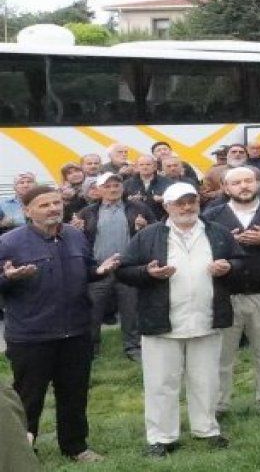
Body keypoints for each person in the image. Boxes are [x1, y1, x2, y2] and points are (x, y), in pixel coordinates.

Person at [115, 182, 244, 458]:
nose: (187, 207)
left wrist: (229, 267)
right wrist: (147, 273)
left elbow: (241, 262)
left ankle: (207, 429)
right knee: (161, 382)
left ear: (199, 202)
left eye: (191, 201)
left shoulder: (217, 233)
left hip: (206, 318)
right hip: (162, 321)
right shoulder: (149, 235)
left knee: (206, 380)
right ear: (166, 206)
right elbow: (124, 270)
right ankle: (161, 437)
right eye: (180, 203)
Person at [0, 184, 121, 463]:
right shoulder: (9, 243)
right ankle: (23, 452)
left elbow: (87, 269)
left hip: (76, 331)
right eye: (44, 205)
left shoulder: (75, 236)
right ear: (27, 211)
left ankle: (76, 447)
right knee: (29, 398)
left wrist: (98, 271)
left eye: (56, 203)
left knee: (74, 395)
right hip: (31, 336)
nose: (53, 208)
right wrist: (10, 278)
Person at [201, 166, 260, 415]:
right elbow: (199, 251)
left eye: (248, 181)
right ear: (226, 188)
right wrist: (224, 243)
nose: (244, 186)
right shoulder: (213, 215)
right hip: (225, 295)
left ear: (258, 183)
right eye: (237, 182)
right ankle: (218, 406)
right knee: (220, 356)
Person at [74, 171, 154, 360]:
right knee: (93, 310)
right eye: (107, 186)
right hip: (99, 269)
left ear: (122, 187)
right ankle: (91, 348)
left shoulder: (138, 207)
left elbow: (155, 229)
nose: (113, 189)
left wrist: (145, 227)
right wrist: (77, 230)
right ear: (99, 190)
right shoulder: (88, 211)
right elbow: (79, 240)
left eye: (116, 185)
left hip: (128, 268)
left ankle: (132, 347)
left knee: (130, 310)